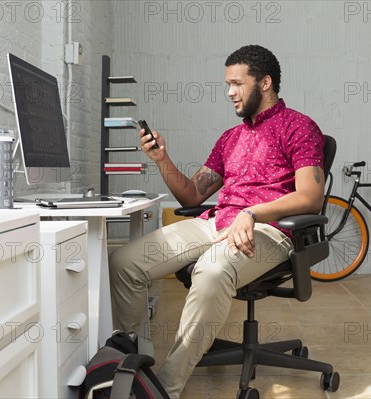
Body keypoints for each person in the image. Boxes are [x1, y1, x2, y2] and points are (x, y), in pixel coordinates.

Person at [109, 44, 325, 398]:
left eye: (237, 84)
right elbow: (193, 195)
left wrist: (251, 214)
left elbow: (309, 197)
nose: (229, 92)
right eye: (227, 84)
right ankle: (137, 366)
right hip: (216, 222)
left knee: (211, 270)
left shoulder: (300, 128)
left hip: (270, 230)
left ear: (265, 82)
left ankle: (164, 388)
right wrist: (162, 159)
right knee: (123, 263)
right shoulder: (231, 138)